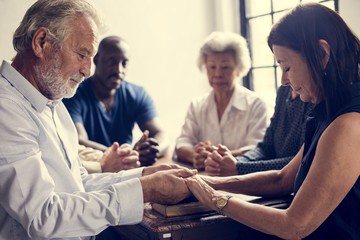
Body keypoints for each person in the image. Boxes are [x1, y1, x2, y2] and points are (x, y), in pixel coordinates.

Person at [0, 1, 195, 239]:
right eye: (82, 54)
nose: (88, 70)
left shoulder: (52, 102)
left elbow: (78, 183)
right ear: (42, 42)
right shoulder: (6, 109)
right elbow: (44, 216)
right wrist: (146, 190)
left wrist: (143, 176)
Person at [186, 3, 360, 239]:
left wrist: (214, 199)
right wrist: (206, 182)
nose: (283, 80)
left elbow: (295, 225)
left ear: (321, 54)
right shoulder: (328, 113)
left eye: (287, 67)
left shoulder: (348, 125)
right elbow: (283, 178)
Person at [63, 36, 168, 167]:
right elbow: (78, 140)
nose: (119, 70)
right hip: (92, 172)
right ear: (96, 60)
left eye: (124, 63)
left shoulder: (137, 94)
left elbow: (161, 134)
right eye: (111, 62)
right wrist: (123, 155)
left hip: (127, 168)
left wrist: (151, 150)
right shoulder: (74, 94)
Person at [175, 31, 268, 170]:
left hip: (241, 180)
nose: (218, 74)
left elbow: (258, 148)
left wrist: (217, 157)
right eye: (212, 67)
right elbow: (182, 142)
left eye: (225, 67)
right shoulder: (197, 105)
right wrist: (195, 155)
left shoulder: (256, 105)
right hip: (203, 178)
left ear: (239, 68)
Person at [204, 85, 313, 176]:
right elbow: (265, 148)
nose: (282, 80)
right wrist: (235, 161)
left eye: (287, 68)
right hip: (272, 182)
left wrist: (239, 167)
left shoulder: (313, 98)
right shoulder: (283, 91)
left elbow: (300, 162)